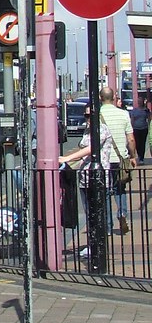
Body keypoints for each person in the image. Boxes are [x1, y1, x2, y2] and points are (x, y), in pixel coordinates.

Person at [59, 103, 111, 258]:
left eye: (90, 115)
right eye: (86, 115)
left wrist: (68, 157)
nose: (87, 118)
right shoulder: (88, 130)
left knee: (97, 213)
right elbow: (83, 151)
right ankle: (92, 244)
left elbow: (91, 148)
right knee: (89, 214)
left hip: (97, 178)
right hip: (85, 177)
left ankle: (97, 247)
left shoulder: (101, 129)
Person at [97, 86, 137, 234]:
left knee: (105, 192)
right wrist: (132, 157)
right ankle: (122, 214)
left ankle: (107, 226)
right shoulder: (124, 114)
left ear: (101, 98)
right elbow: (131, 139)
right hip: (120, 159)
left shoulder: (98, 115)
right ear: (114, 97)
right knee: (120, 188)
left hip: (104, 160)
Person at [128, 95, 149, 164]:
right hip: (136, 128)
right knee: (137, 143)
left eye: (141, 101)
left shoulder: (146, 110)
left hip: (144, 128)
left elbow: (149, 118)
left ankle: (141, 157)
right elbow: (132, 120)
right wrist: (131, 127)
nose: (140, 102)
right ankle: (139, 156)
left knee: (142, 143)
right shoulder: (135, 111)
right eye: (139, 101)